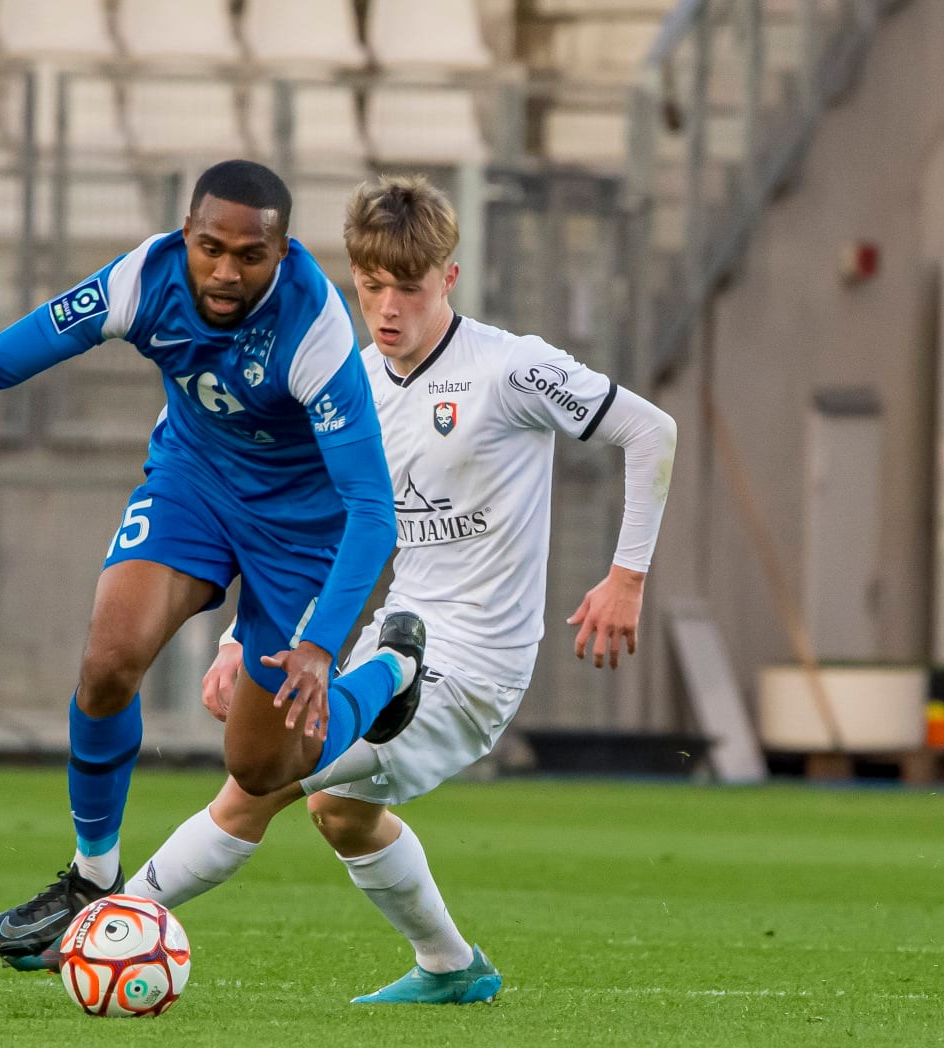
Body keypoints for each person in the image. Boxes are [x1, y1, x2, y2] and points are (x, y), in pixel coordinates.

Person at [0, 160, 426, 966]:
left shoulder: (314, 327)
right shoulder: (143, 279)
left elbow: (374, 510)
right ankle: (92, 876)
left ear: (282, 255)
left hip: (301, 530)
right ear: (187, 235)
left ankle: (390, 670)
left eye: (250, 255)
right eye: (210, 246)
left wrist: (321, 645)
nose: (226, 268)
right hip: (194, 486)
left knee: (260, 763)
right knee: (107, 661)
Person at [113, 175, 677, 1003]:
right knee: (337, 809)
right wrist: (242, 638)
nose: (386, 307)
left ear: (448, 277)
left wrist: (626, 575)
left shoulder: (510, 369)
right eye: (369, 285)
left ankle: (104, 923)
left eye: (408, 287)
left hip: (476, 664)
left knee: (262, 780)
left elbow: (649, 429)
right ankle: (453, 968)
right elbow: (308, 527)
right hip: (395, 638)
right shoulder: (349, 383)